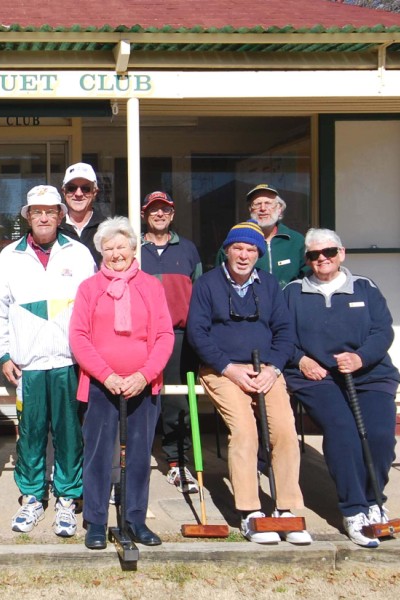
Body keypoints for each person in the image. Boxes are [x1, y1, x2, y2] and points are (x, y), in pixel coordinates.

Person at [187, 220, 312, 545]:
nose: (244, 255)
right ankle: (250, 511)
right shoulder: (207, 284)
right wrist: (229, 368)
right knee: (244, 430)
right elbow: (197, 333)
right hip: (222, 370)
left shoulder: (269, 284)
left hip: (266, 369)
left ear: (258, 254)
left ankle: (286, 509)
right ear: (227, 251)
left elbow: (284, 331)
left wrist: (273, 368)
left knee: (284, 430)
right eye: (238, 248)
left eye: (251, 250)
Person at [0, 185, 95, 537]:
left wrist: (89, 356)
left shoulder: (79, 254)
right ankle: (32, 496)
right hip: (28, 365)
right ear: (28, 217)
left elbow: (93, 308)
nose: (45, 217)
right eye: (38, 212)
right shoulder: (10, 256)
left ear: (61, 216)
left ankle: (67, 497)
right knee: (30, 435)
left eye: (51, 211)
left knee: (69, 434)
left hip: (69, 361)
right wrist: (3, 354)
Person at [283, 229, 400, 548]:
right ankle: (353, 509)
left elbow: (382, 331)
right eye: (314, 255)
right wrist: (301, 359)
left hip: (369, 373)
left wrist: (361, 357)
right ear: (306, 259)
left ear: (341, 253)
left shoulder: (364, 287)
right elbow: (281, 335)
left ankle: (373, 501)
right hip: (318, 376)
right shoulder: (292, 292)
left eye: (329, 252)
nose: (322, 259)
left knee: (379, 436)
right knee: (343, 431)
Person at [69, 216, 174, 550]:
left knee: (139, 455)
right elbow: (79, 337)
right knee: (98, 454)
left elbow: (164, 335)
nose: (116, 254)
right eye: (108, 248)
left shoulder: (151, 286)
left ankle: (135, 519)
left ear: (133, 248)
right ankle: (96, 521)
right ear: (101, 252)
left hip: (143, 385)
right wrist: (107, 375)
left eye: (121, 246)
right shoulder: (89, 288)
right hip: (101, 385)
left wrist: (143, 375)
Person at [139, 191, 203, 494]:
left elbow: (200, 294)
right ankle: (133, 459)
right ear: (144, 214)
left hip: (179, 335)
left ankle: (177, 462)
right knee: (140, 397)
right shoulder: (135, 249)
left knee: (178, 401)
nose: (160, 214)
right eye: (154, 210)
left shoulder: (188, 249)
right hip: (142, 337)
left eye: (165, 209)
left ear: (172, 214)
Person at [216, 184, 308, 288]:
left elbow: (308, 278)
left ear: (279, 209)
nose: (263, 208)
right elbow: (219, 278)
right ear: (250, 209)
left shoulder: (296, 241)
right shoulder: (235, 242)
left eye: (268, 203)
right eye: (257, 204)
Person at [58, 162, 102, 265]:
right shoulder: (54, 228)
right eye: (71, 188)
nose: (78, 194)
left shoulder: (107, 228)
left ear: (94, 192)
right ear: (64, 192)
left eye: (85, 189)